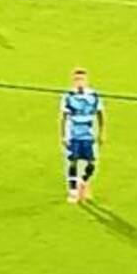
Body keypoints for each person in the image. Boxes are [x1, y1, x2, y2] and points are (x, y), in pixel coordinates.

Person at [60, 68, 105, 203]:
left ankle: (83, 181)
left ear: (86, 81)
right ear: (73, 81)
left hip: (88, 136)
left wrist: (102, 133)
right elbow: (63, 117)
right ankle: (73, 191)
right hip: (73, 135)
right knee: (72, 161)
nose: (79, 82)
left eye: (82, 79)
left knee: (92, 163)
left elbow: (101, 115)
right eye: (77, 79)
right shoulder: (68, 96)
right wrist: (63, 135)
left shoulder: (94, 96)